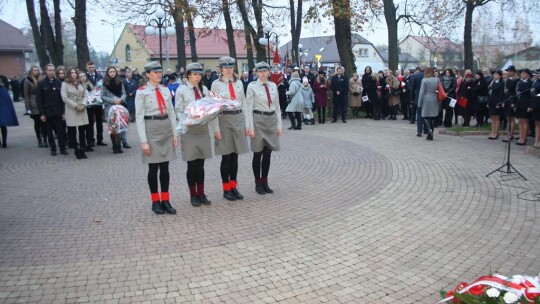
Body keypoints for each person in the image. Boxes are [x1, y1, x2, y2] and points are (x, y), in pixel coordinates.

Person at [135, 61, 178, 215]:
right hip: (151, 128)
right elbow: (139, 117)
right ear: (147, 74)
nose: (159, 74)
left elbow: (172, 112)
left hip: (165, 127)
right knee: (153, 167)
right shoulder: (141, 92)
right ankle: (155, 201)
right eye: (155, 72)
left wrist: (175, 133)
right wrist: (144, 141)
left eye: (160, 72)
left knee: (165, 168)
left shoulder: (166, 90)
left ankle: (166, 200)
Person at [175, 62, 216, 207]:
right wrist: (186, 121)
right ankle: (193, 195)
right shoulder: (181, 90)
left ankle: (201, 193)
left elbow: (209, 108)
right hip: (190, 130)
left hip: (203, 129)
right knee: (192, 164)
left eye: (199, 74)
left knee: (201, 164)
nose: (197, 77)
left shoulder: (204, 89)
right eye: (194, 74)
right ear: (188, 75)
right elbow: (178, 110)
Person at [210, 56, 250, 201]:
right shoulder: (216, 85)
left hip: (238, 119)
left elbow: (244, 104)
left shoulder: (239, 83)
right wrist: (216, 129)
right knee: (226, 156)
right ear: (221, 69)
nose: (228, 70)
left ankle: (233, 186)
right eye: (225, 67)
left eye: (231, 67)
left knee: (235, 156)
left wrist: (247, 124)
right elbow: (214, 108)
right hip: (224, 120)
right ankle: (226, 189)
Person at [245, 62, 282, 194]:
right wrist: (250, 127)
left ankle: (265, 181)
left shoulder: (273, 86)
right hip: (258, 121)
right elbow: (248, 108)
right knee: (257, 153)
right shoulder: (252, 86)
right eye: (260, 71)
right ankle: (258, 183)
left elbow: (277, 107)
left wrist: (279, 125)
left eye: (265, 71)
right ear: (256, 72)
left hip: (271, 121)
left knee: (267, 154)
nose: (262, 74)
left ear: (268, 72)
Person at [36, 64, 68, 156]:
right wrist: (42, 114)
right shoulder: (41, 83)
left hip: (58, 111)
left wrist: (63, 112)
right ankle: (53, 148)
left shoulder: (59, 83)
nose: (51, 72)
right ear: (46, 71)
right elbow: (39, 100)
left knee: (61, 130)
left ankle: (62, 148)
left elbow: (63, 99)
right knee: (49, 131)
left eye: (53, 70)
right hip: (47, 112)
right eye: (49, 70)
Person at [61, 67, 90, 159]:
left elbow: (85, 95)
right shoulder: (65, 84)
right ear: (68, 74)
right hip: (72, 109)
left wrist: (84, 105)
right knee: (72, 131)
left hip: (82, 108)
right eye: (72, 73)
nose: (74, 74)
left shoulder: (81, 83)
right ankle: (76, 150)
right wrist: (75, 106)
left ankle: (82, 148)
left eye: (75, 73)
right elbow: (65, 98)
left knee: (82, 130)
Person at [101, 66, 129, 151]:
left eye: (113, 71)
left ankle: (119, 145)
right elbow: (102, 95)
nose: (112, 73)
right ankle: (114, 145)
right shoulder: (104, 82)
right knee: (113, 126)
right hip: (110, 107)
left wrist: (120, 99)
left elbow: (124, 93)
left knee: (120, 126)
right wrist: (113, 101)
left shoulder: (119, 81)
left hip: (120, 106)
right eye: (110, 72)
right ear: (107, 73)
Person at [24, 66, 47, 147]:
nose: (36, 72)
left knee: (44, 123)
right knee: (37, 123)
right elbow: (26, 95)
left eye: (37, 70)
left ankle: (45, 139)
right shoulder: (28, 81)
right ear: (31, 71)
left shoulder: (42, 79)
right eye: (34, 70)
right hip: (33, 103)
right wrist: (28, 108)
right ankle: (39, 139)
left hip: (43, 103)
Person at [85, 61, 106, 146]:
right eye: (89, 67)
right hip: (89, 103)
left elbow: (102, 88)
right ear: (87, 68)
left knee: (99, 122)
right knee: (90, 122)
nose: (91, 69)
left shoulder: (100, 76)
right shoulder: (84, 77)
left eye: (92, 67)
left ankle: (100, 139)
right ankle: (91, 140)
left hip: (98, 103)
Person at [417, 67, 439, 141]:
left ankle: (429, 131)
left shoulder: (424, 80)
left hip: (426, 99)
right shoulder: (437, 79)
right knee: (432, 116)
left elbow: (421, 93)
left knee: (425, 116)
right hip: (434, 98)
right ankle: (431, 132)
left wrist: (419, 103)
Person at [515, 68, 533, 146]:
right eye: (521, 73)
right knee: (520, 121)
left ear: (528, 75)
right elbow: (517, 94)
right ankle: (520, 137)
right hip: (519, 103)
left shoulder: (531, 83)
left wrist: (530, 106)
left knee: (525, 121)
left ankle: (524, 138)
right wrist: (515, 104)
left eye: (524, 73)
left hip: (526, 104)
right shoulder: (519, 83)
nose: (522, 75)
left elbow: (531, 96)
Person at [0, 79, 19, 147]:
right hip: (2, 111)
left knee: (3, 126)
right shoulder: (3, 89)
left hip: (2, 111)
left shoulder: (2, 89)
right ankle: (4, 142)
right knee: (3, 126)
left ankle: (4, 142)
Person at [502, 66, 518, 142]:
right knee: (507, 118)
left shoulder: (516, 80)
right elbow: (505, 92)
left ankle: (511, 134)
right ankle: (507, 133)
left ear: (514, 72)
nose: (509, 72)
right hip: (507, 100)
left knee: (512, 118)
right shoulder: (507, 80)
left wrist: (514, 102)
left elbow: (515, 92)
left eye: (511, 71)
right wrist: (504, 101)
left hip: (512, 100)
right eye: (508, 71)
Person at [487, 70, 505, 140]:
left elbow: (501, 94)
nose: (495, 75)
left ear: (500, 76)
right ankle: (493, 132)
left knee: (496, 118)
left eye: (496, 74)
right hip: (492, 102)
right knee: (492, 118)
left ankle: (496, 133)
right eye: (494, 74)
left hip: (497, 102)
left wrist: (499, 103)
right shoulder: (493, 82)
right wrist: (488, 102)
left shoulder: (501, 83)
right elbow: (490, 93)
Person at [531, 69, 540, 148]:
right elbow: (532, 94)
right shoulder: (536, 82)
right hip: (536, 105)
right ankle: (536, 140)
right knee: (536, 123)